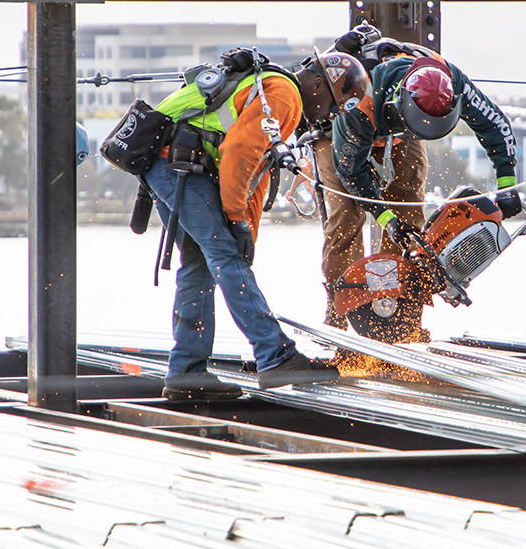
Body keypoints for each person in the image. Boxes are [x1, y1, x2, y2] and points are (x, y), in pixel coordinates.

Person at [142, 48, 370, 400]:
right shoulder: (285, 96)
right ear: (321, 88)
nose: (324, 118)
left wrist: (245, 226)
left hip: (166, 159)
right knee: (224, 255)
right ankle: (275, 355)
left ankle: (186, 374)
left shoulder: (271, 86)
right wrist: (236, 221)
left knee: (201, 264)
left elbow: (255, 171)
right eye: (330, 108)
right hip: (174, 163)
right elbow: (240, 152)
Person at [314, 30, 521, 336]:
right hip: (339, 133)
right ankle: (338, 319)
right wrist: (386, 218)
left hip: (401, 132)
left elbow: (496, 126)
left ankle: (401, 318)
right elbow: (351, 172)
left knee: (408, 211)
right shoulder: (361, 97)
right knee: (347, 217)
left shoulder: (451, 81)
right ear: (401, 102)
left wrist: (507, 185)